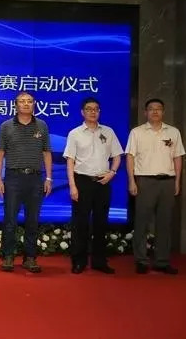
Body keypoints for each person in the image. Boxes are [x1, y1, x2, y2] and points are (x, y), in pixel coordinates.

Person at [63, 97, 123, 274]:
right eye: (89, 109)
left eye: (96, 109)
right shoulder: (75, 133)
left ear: (99, 112)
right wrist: (73, 186)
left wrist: (112, 173)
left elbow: (117, 155)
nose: (92, 112)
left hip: (103, 183)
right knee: (80, 223)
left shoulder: (108, 132)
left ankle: (99, 261)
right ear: (82, 112)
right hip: (82, 181)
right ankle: (78, 261)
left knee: (100, 223)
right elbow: (70, 161)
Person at [126, 98, 185, 275]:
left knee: (164, 223)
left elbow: (178, 157)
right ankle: (141, 260)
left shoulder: (173, 132)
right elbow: (130, 157)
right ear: (145, 112)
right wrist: (131, 180)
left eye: (158, 109)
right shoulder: (137, 132)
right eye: (151, 109)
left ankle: (162, 261)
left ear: (163, 112)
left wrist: (177, 181)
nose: (155, 112)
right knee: (142, 222)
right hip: (145, 181)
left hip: (167, 181)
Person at [0, 91, 52, 273]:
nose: (26, 104)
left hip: (35, 179)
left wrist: (49, 178)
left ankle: (30, 258)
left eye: (29, 101)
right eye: (22, 101)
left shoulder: (42, 125)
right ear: (16, 105)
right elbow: (0, 154)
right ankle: (8, 256)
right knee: (10, 220)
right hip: (13, 178)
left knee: (32, 220)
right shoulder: (6, 126)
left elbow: (46, 153)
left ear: (34, 105)